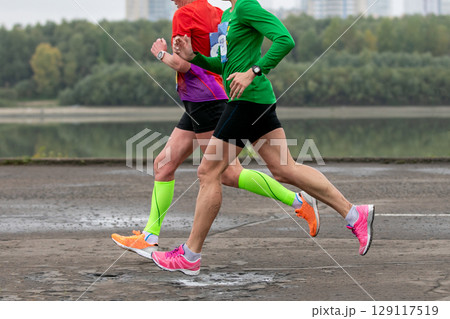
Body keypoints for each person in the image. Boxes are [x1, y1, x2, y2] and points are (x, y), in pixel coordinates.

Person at [151, 0, 375, 276]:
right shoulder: (230, 14)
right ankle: (355, 214)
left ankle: (190, 255)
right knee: (284, 169)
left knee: (208, 172)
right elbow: (224, 64)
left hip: (246, 101)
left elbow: (285, 40)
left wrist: (254, 71)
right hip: (256, 100)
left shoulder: (246, 7)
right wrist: (193, 55)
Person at [111, 0, 320, 260]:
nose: (171, 0)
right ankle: (149, 237)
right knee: (164, 164)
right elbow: (224, 57)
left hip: (204, 100)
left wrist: (160, 54)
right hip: (203, 98)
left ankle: (298, 202)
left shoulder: (184, 14)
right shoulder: (220, 13)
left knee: (227, 173)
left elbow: (183, 65)